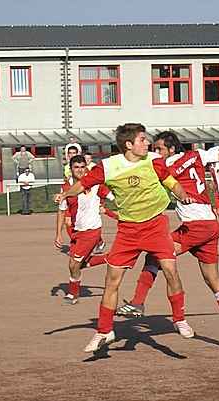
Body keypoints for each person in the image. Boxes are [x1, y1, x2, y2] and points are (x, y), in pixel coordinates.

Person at [119, 133, 219, 350]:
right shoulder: (197, 155)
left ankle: (138, 302)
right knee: (212, 277)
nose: (157, 152)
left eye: (160, 148)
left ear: (171, 149)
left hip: (196, 226)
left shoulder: (164, 165)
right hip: (211, 225)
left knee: (155, 255)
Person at [55, 123, 195, 353]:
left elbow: (172, 183)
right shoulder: (108, 166)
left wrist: (183, 195)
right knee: (112, 280)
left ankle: (179, 318)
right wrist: (65, 193)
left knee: (170, 270)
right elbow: (83, 184)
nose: (148, 143)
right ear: (129, 145)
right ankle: (104, 330)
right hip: (128, 230)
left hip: (155, 225)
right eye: (142, 139)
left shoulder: (153, 160)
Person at [55, 155, 115, 305]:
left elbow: (114, 197)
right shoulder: (66, 188)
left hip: (92, 230)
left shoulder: (95, 184)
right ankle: (108, 258)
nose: (80, 170)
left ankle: (73, 294)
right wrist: (58, 234)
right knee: (79, 264)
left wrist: (111, 207)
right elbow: (61, 211)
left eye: (82, 167)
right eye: (76, 167)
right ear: (71, 169)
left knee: (73, 264)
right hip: (77, 231)